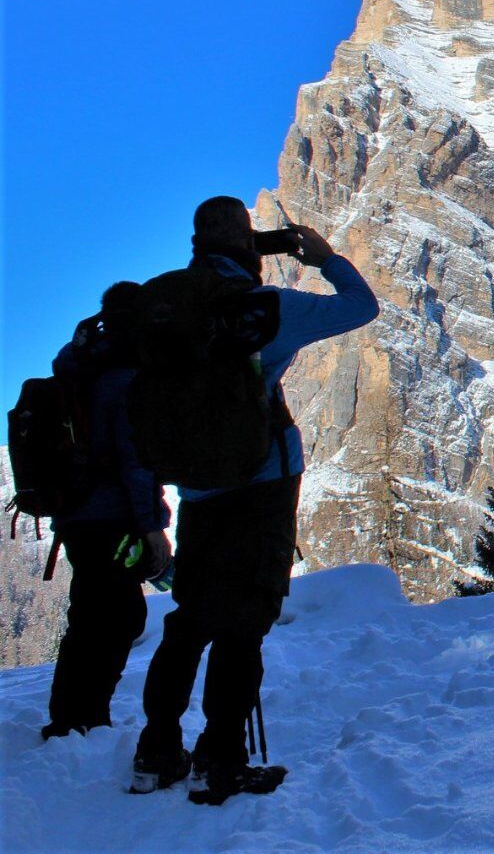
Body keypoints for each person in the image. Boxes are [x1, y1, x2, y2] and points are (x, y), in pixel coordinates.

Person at [132, 196, 379, 804]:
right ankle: (222, 761)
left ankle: (156, 751)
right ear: (252, 247)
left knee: (189, 619)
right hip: (263, 483)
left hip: (199, 488)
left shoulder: (167, 308)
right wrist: (325, 258)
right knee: (243, 624)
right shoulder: (266, 307)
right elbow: (361, 307)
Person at [44, 281, 172, 741]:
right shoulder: (125, 378)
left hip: (75, 514)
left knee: (93, 613)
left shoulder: (80, 364)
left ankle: (71, 716)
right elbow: (134, 461)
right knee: (117, 616)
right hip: (112, 516)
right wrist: (152, 527)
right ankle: (83, 718)